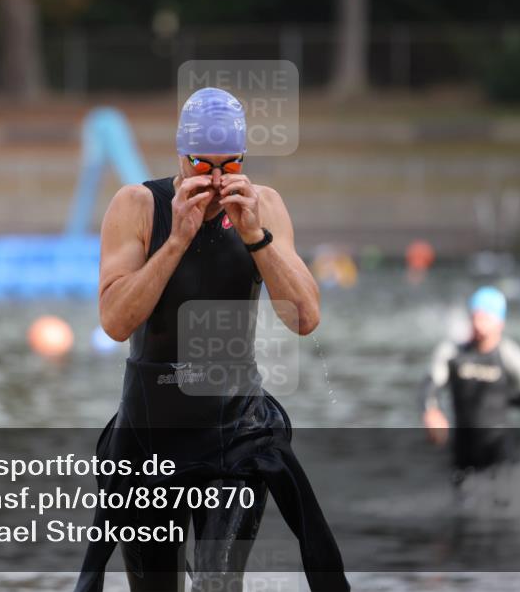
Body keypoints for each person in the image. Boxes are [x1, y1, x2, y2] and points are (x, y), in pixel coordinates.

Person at [74, 87, 349, 592]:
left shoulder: (264, 205)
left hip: (234, 430)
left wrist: (256, 238)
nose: (218, 179)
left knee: (218, 586)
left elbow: (306, 317)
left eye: (230, 164)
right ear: (181, 155)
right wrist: (177, 240)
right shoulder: (136, 205)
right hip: (149, 434)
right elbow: (115, 321)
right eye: (203, 166)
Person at [421, 286, 520, 477]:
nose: (478, 323)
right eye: (475, 316)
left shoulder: (509, 354)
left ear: (500, 322)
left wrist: (505, 398)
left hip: (497, 446)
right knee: (463, 503)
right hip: (463, 447)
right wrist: (431, 411)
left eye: (485, 317)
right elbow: (430, 385)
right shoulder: (453, 352)